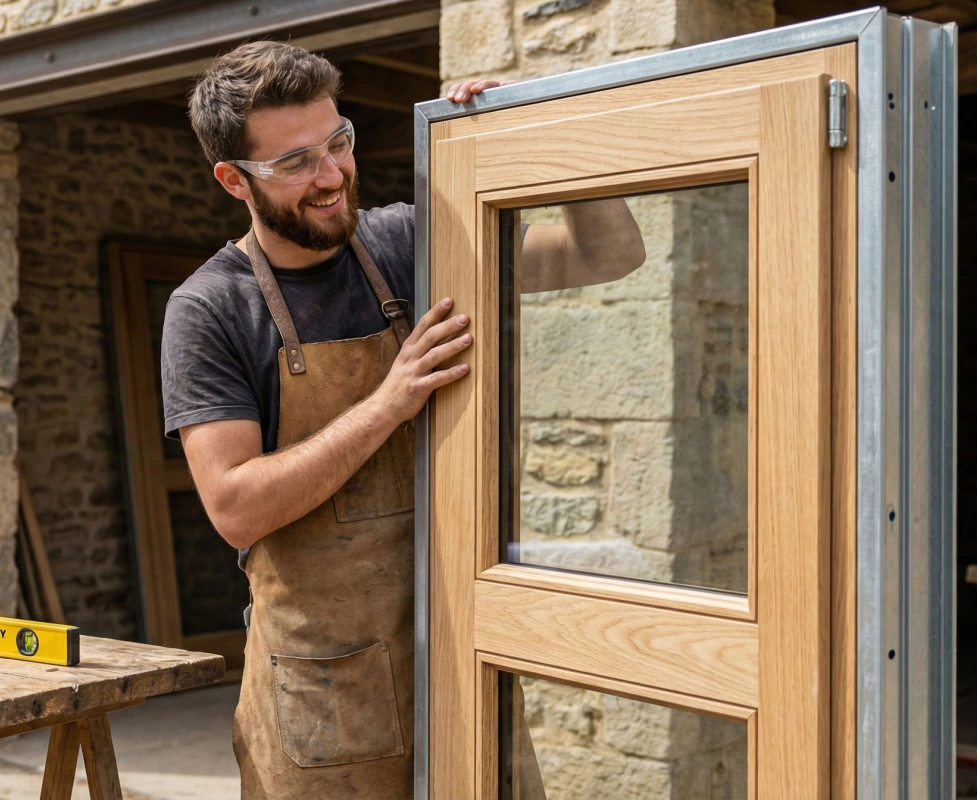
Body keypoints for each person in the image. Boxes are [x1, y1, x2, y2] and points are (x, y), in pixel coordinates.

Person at [161, 40, 646, 799]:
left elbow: (605, 256)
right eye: (295, 163)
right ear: (234, 179)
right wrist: (389, 403)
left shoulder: (410, 242)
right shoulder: (210, 308)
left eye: (338, 142)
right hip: (323, 691)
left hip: (460, 662)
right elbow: (236, 506)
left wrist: (545, 125)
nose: (331, 176)